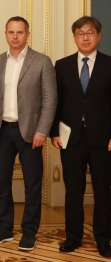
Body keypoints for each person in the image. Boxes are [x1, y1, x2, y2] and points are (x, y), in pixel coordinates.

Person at [0, 16, 57, 251]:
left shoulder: (42, 62)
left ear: (28, 34)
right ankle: (5, 228)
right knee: (2, 185)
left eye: (19, 32)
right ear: (5, 34)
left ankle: (29, 231)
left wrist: (42, 131)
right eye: (11, 32)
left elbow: (50, 100)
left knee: (32, 185)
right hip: (3, 132)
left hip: (30, 134)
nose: (15, 36)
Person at [50, 16, 111, 257]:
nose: (85, 37)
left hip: (102, 140)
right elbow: (56, 101)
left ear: (98, 35)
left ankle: (104, 240)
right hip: (70, 139)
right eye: (80, 33)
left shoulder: (109, 64)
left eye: (90, 32)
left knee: (103, 191)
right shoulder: (62, 65)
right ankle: (72, 237)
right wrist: (54, 132)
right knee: (73, 191)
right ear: (74, 37)